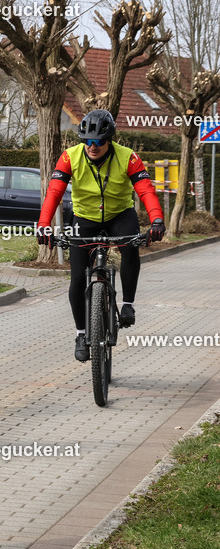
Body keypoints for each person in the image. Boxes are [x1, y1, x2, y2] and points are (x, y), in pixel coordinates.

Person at [36, 109, 166, 362]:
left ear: (109, 140)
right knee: (77, 278)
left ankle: (128, 305)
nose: (92, 146)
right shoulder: (70, 157)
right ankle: (80, 334)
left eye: (98, 141)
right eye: (87, 141)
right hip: (85, 218)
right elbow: (54, 192)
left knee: (130, 247)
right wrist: (43, 225)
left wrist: (157, 220)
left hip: (120, 215)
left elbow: (146, 191)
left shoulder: (128, 157)